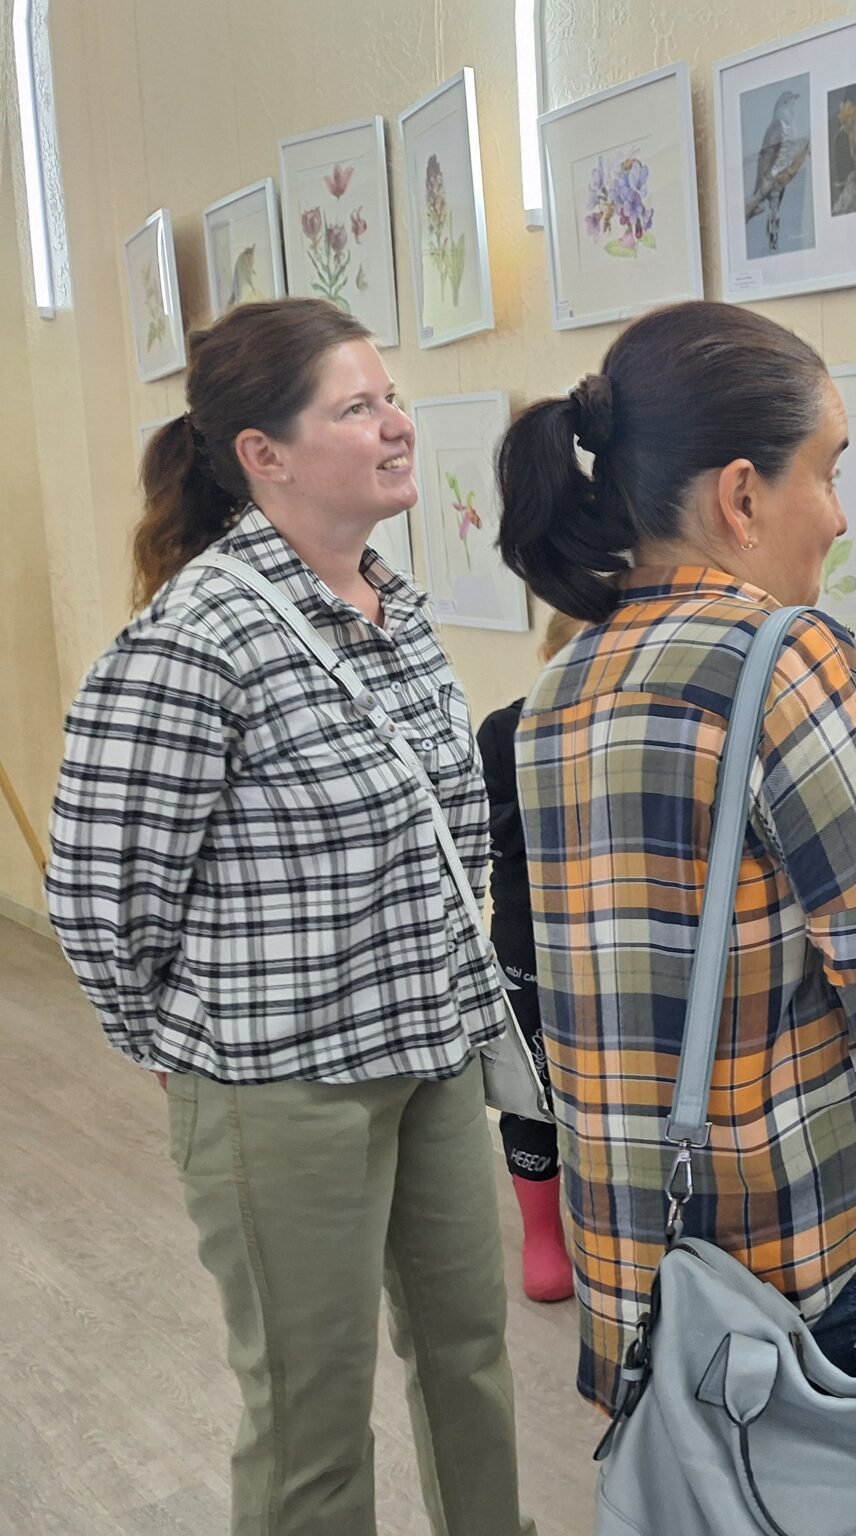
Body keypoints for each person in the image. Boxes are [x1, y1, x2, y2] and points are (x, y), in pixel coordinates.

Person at [495, 300, 856, 1410]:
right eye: (829, 469)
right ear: (741, 495)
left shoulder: (565, 682)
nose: (839, 515)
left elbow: (694, 904)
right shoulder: (784, 655)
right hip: (817, 1278)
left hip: (652, 1274)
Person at [45, 298, 536, 1536]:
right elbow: (99, 896)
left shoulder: (392, 609)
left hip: (430, 1055)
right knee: (312, 1416)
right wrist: (184, 1049)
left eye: (391, 398)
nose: (396, 425)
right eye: (356, 407)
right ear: (262, 454)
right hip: (280, 1088)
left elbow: (446, 837)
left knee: (471, 1362)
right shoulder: (196, 638)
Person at [477, 609, 586, 1303]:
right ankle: (541, 1234)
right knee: (531, 1087)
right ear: (546, 658)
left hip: (607, 946)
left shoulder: (640, 731)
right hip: (525, 941)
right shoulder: (502, 733)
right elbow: (489, 839)